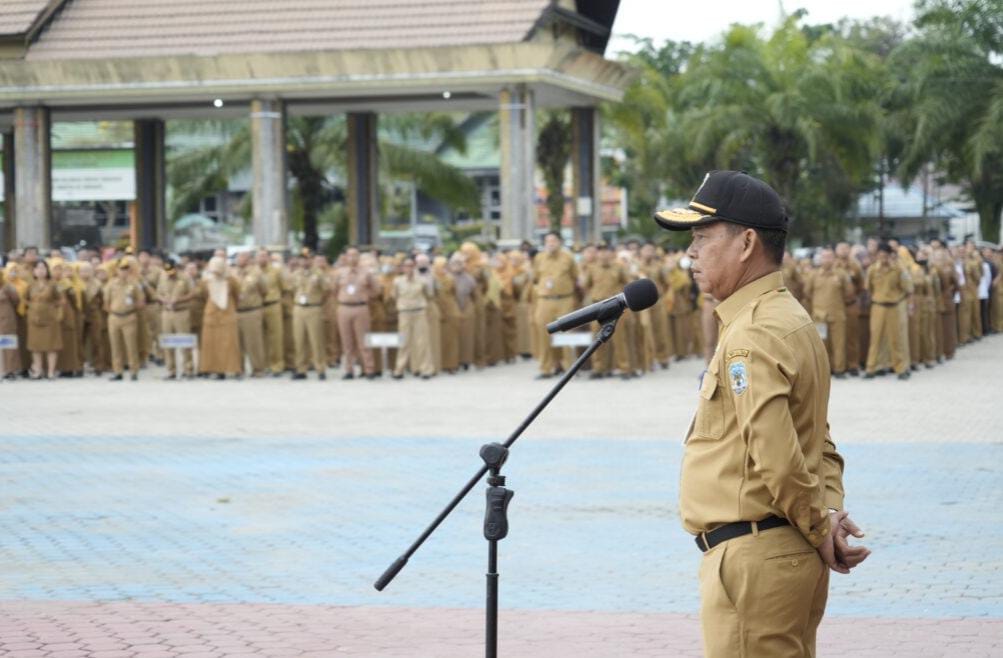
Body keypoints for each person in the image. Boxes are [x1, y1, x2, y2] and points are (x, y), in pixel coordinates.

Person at [654, 170, 869, 658]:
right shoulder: (787, 318)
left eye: (703, 238)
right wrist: (827, 514)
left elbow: (777, 452)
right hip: (780, 550)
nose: (690, 253)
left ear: (746, 242)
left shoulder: (753, 334)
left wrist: (819, 529)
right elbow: (820, 439)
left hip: (756, 556)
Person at [531, 231, 579, 378]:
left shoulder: (568, 257)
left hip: (564, 299)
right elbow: (535, 278)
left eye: (553, 240)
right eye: (548, 241)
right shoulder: (539, 258)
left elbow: (575, 277)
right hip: (545, 300)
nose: (550, 243)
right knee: (544, 333)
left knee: (567, 333)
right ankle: (547, 368)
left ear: (560, 242)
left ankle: (569, 367)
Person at [864, 243, 912, 380]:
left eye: (886, 255)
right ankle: (871, 368)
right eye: (880, 255)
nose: (883, 258)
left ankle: (900, 368)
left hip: (893, 307)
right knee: (875, 338)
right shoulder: (872, 270)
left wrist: (902, 269)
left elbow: (908, 287)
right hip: (878, 306)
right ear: (877, 255)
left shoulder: (897, 270)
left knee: (896, 339)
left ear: (890, 256)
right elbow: (869, 288)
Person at [804, 248, 854, 377]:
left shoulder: (841, 274)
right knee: (821, 344)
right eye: (824, 257)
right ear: (820, 259)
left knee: (839, 343)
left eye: (830, 257)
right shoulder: (813, 275)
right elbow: (807, 293)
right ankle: (825, 370)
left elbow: (849, 293)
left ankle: (839, 369)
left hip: (837, 314)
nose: (827, 260)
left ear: (834, 259)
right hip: (819, 316)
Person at [332, 246, 377, 380]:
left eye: (355, 255)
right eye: (349, 255)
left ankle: (369, 369)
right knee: (347, 341)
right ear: (345, 257)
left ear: (359, 257)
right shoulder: (339, 272)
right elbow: (333, 290)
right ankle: (349, 370)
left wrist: (365, 296)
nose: (352, 258)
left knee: (364, 340)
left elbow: (376, 290)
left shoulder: (367, 272)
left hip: (360, 308)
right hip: (344, 308)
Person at [390, 257, 435, 379]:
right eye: (406, 266)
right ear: (402, 268)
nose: (408, 268)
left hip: (419, 312)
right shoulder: (397, 281)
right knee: (403, 341)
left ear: (415, 266)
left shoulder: (422, 281)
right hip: (404, 313)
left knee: (422, 342)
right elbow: (394, 296)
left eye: (411, 265)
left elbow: (429, 295)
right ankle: (399, 370)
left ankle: (425, 369)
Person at [199, 256, 242, 379]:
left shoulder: (231, 280)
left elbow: (237, 295)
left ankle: (233, 369)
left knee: (230, 345)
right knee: (211, 344)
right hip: (211, 315)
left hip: (227, 314)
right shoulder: (206, 281)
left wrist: (232, 307)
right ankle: (216, 370)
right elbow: (203, 295)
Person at [103, 258, 145, 381]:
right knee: (115, 346)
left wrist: (130, 309)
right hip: (114, 317)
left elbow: (141, 301)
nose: (124, 272)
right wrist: (114, 311)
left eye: (126, 269)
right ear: (117, 270)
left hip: (129, 317)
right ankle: (118, 371)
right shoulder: (111, 284)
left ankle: (134, 371)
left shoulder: (134, 284)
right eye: (122, 269)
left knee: (131, 345)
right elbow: (106, 302)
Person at [291, 253, 329, 380]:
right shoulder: (296, 273)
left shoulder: (319, 273)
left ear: (311, 260)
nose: (304, 261)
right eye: (301, 259)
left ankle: (320, 368)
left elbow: (327, 290)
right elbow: (292, 290)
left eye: (307, 259)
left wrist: (319, 302)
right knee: (299, 340)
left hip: (313, 308)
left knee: (316, 340)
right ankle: (301, 369)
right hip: (299, 308)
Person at [157, 260, 196, 379]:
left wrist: (179, 299)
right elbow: (158, 293)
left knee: (184, 341)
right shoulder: (163, 278)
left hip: (181, 312)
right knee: (168, 341)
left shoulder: (185, 278)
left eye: (172, 271)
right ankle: (171, 370)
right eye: (167, 271)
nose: (170, 274)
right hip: (167, 313)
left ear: (176, 269)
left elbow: (192, 294)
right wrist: (163, 299)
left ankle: (188, 369)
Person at [234, 251, 268, 377]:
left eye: (242, 257)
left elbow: (264, 290)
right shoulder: (233, 272)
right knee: (237, 343)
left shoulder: (256, 272)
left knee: (254, 342)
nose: (239, 259)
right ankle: (239, 369)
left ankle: (258, 369)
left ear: (248, 259)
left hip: (251, 311)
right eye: (238, 257)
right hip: (236, 311)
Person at [257, 248, 285, 375]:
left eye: (264, 256)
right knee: (261, 337)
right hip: (258, 306)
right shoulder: (253, 271)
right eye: (259, 256)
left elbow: (283, 287)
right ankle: (265, 364)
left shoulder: (276, 271)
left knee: (276, 336)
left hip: (273, 305)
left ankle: (277, 365)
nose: (262, 258)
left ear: (268, 258)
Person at [0, 266, 21, 379]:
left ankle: (11, 370)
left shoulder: (8, 287)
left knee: (9, 344)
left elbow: (16, 300)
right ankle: (2, 369)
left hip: (7, 319)